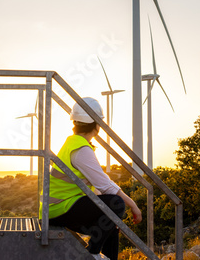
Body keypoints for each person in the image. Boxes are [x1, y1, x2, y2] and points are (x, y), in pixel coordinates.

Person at [39, 97, 142, 260]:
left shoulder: (73, 143)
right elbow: (106, 186)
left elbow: (96, 187)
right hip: (59, 209)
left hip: (58, 208)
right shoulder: (81, 149)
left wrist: (111, 218)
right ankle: (92, 254)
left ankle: (101, 255)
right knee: (116, 204)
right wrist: (133, 205)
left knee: (111, 225)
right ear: (97, 124)